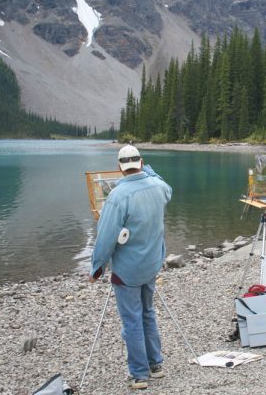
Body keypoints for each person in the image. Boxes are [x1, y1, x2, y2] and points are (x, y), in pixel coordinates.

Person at [89, 145, 172, 389]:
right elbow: (166, 186)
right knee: (148, 313)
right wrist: (149, 171)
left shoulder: (117, 195)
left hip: (127, 270)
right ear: (142, 162)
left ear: (119, 168)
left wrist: (97, 268)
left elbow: (105, 237)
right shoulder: (160, 187)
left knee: (132, 320)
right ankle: (156, 365)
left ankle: (139, 375)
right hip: (152, 264)